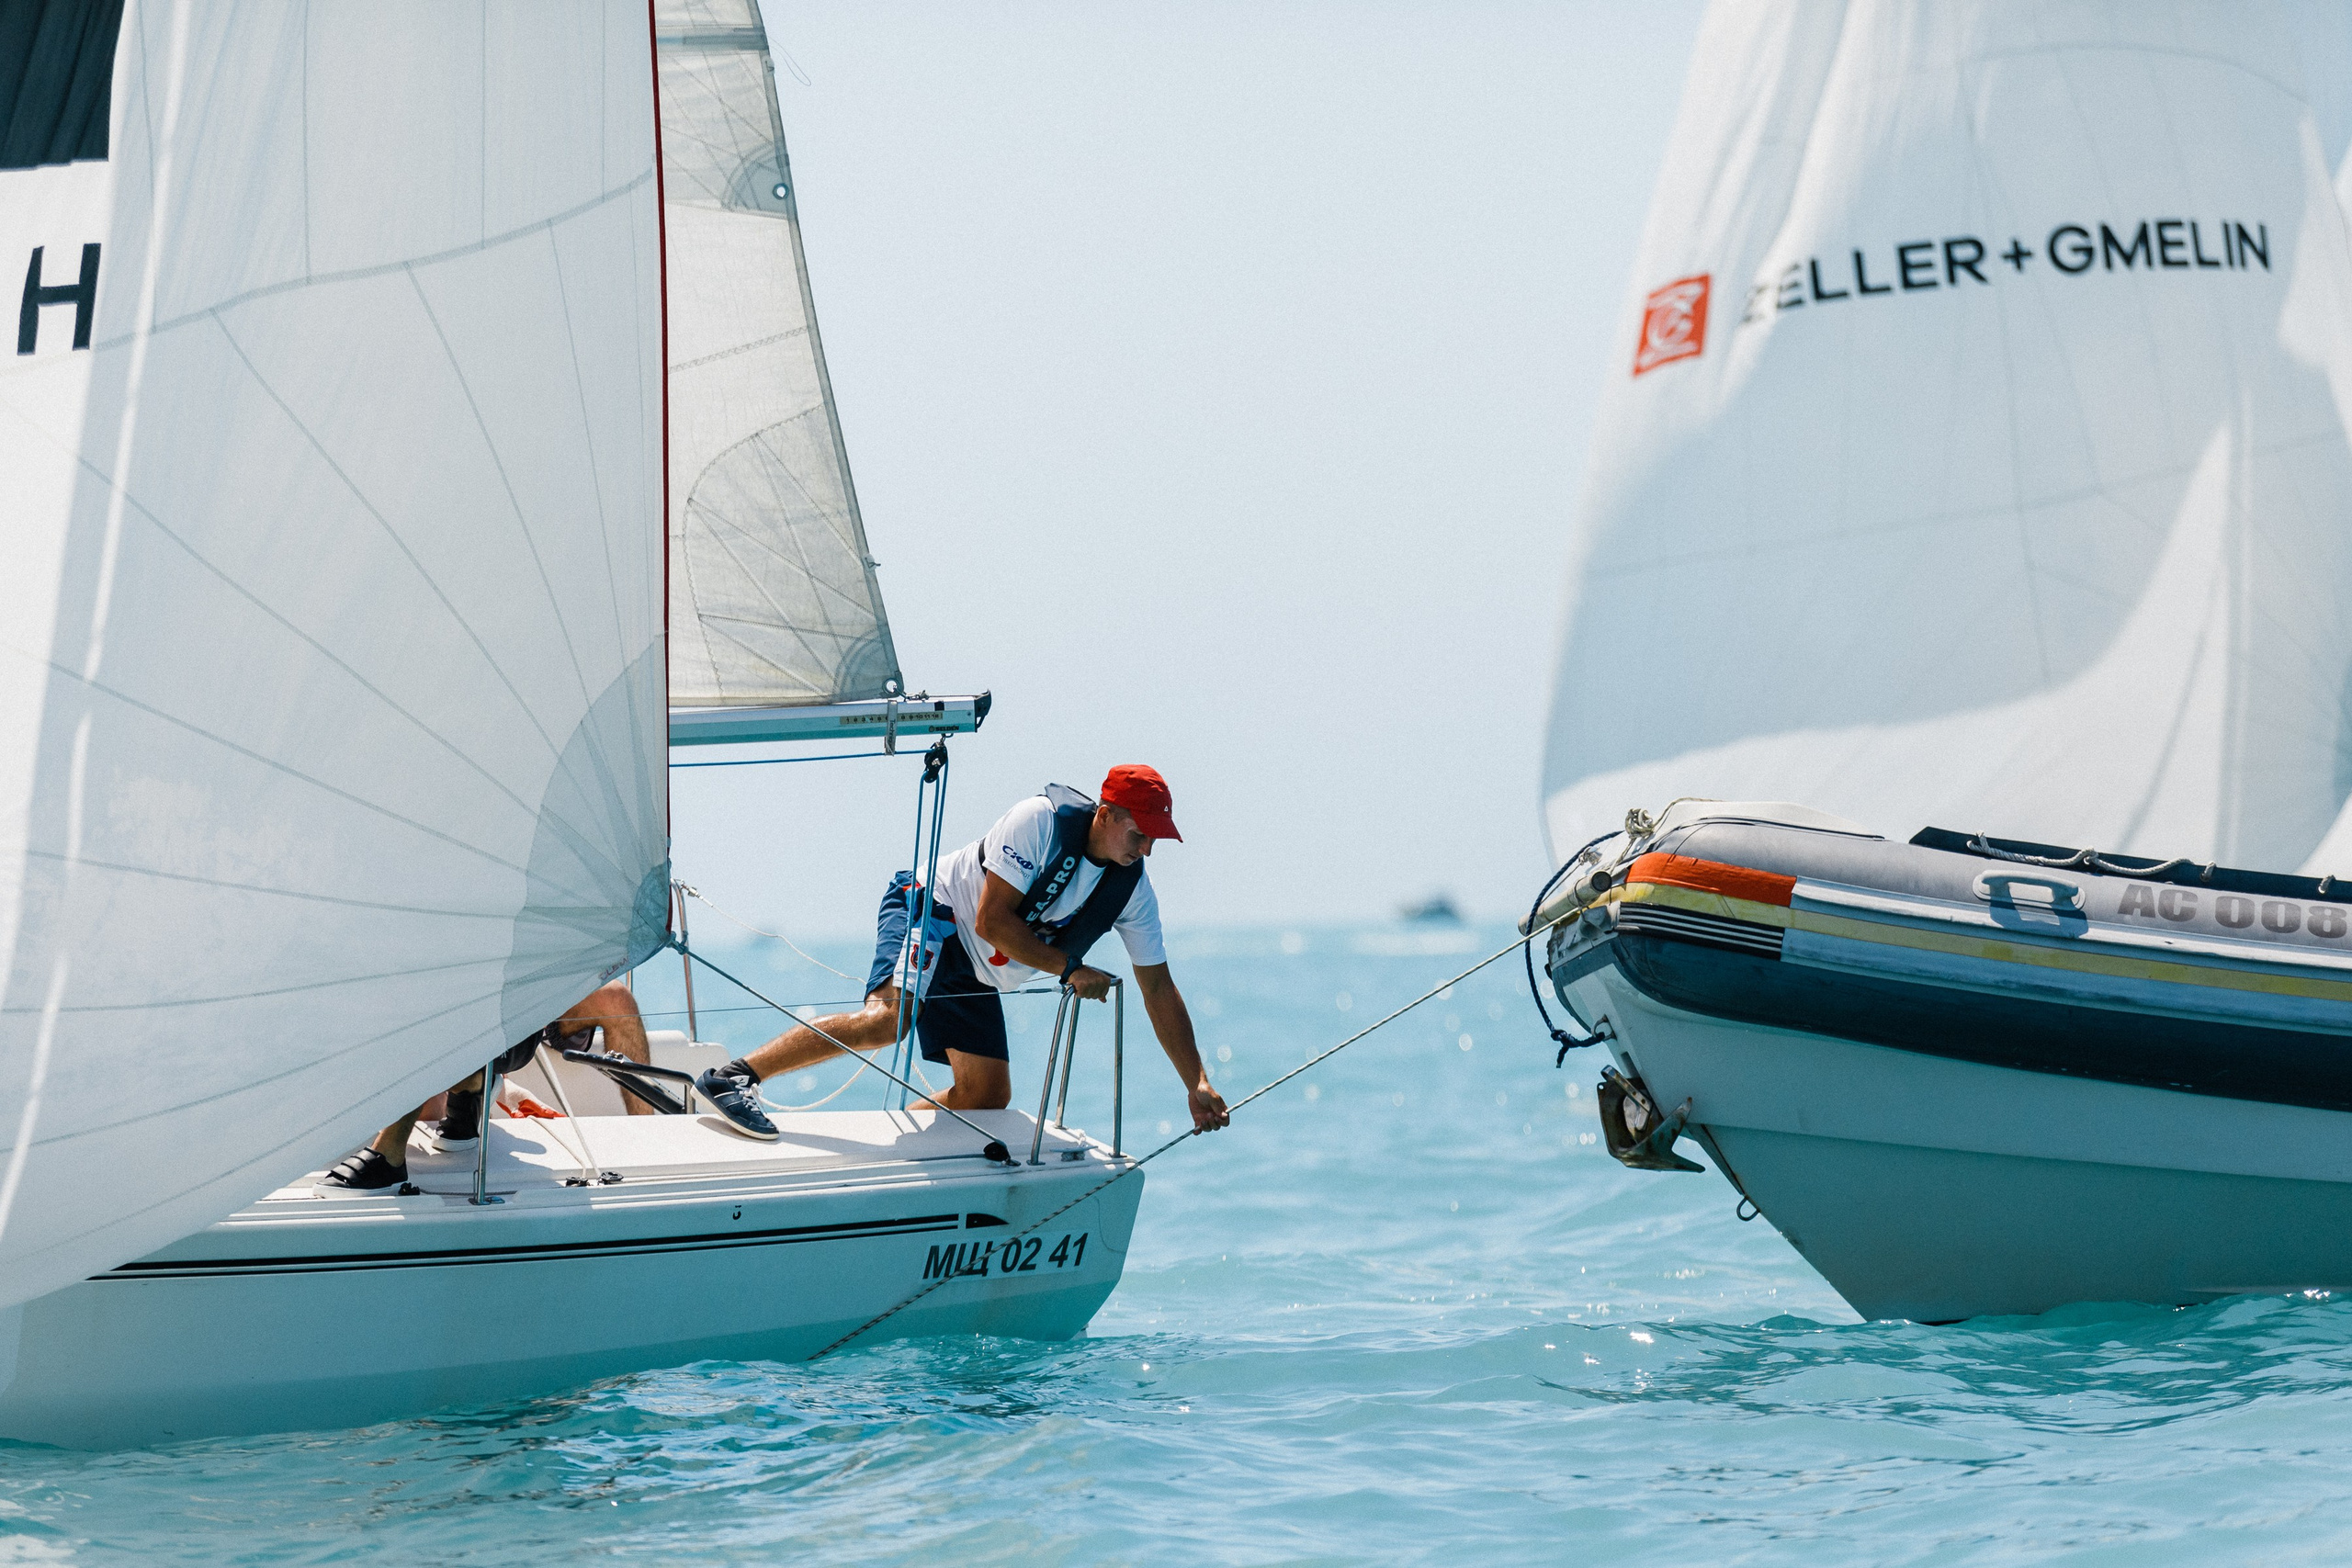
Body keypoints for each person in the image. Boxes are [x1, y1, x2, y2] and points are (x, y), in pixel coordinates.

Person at [695, 765, 1231, 1142]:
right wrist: (1070, 968)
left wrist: (1197, 1081)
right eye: (1140, 835)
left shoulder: (1133, 890)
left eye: (1155, 840)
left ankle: (904, 1146)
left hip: (977, 966)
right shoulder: (1039, 822)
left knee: (987, 1094)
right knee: (889, 1020)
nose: (1146, 850)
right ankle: (734, 1076)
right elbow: (991, 921)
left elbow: (1158, 988)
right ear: (1107, 814)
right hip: (932, 908)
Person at [314, 980, 653, 1195]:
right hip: (478, 1025)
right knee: (429, 1111)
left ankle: (653, 1137)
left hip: (518, 1006)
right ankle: (475, 1088)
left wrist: (510, 1091)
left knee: (616, 998)